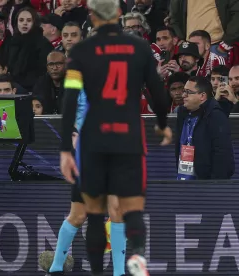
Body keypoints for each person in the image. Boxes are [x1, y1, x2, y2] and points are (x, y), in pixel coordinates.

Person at [59, 1, 172, 276]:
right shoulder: (140, 48)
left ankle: (100, 272)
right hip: (128, 139)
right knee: (130, 208)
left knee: (96, 214)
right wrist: (161, 124)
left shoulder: (81, 52)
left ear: (92, 17)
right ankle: (135, 261)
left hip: (94, 142)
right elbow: (158, 91)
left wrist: (65, 149)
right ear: (120, 15)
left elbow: (70, 101)